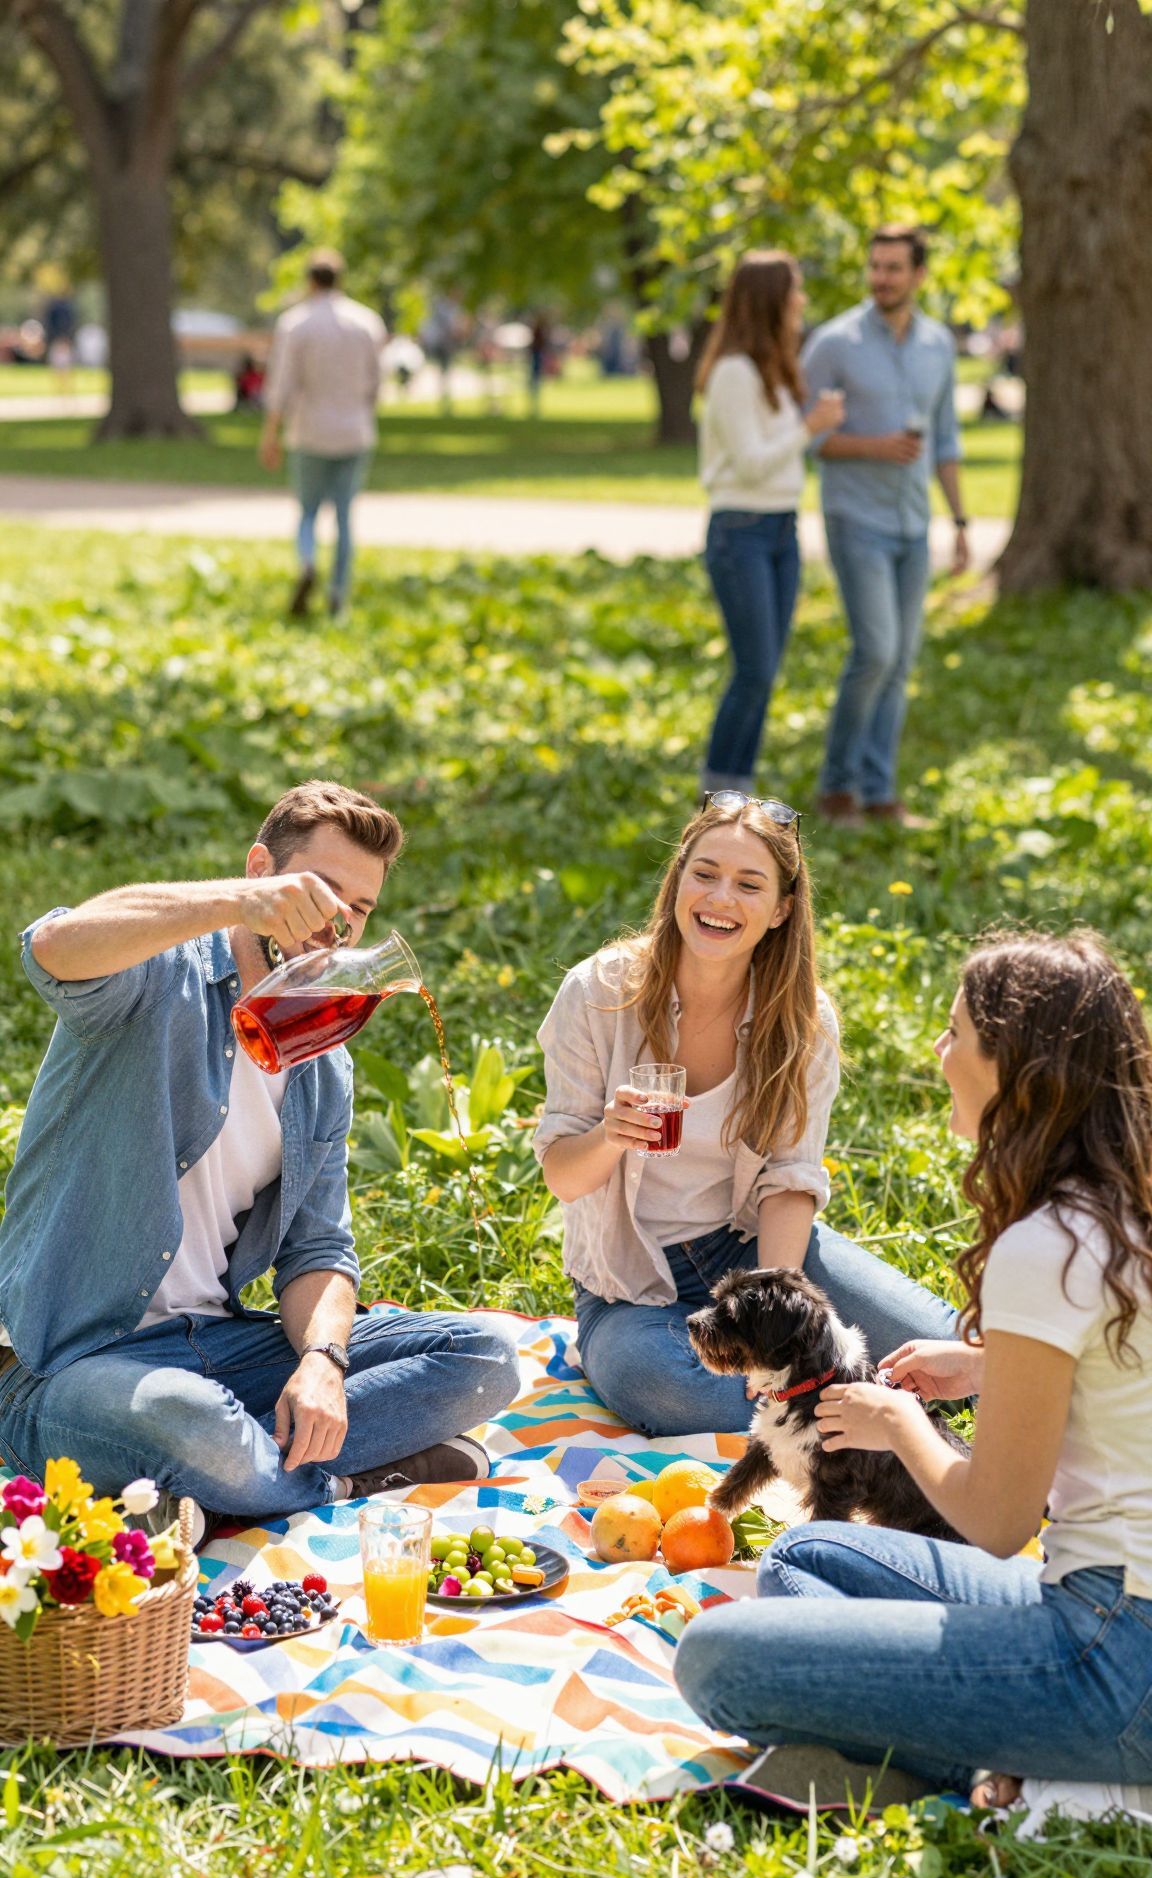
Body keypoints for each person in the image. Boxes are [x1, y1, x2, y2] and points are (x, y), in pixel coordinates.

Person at [676, 930, 1152, 1808]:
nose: (938, 1053)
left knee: (716, 1660)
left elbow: (1002, 1521)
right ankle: (980, 1741)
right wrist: (982, 1366)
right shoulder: (1124, 1211)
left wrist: (896, 1422)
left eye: (955, 1034)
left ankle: (1037, 1776)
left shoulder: (1043, 1245)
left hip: (1114, 1653)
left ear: (1014, 1068)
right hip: (1107, 1608)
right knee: (809, 1551)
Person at [0, 781, 519, 1544]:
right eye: (319, 891)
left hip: (219, 1345)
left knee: (484, 1356)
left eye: (360, 909)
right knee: (193, 1420)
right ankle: (335, 1478)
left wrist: (323, 1362)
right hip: (70, 1361)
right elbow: (51, 947)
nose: (336, 923)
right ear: (261, 871)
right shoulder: (155, 975)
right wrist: (239, 904)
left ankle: (216, 1485)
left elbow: (318, 1251)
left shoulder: (321, 1062)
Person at [533, 793, 956, 1439]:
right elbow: (563, 1176)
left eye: (748, 884)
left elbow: (790, 1179)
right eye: (704, 874)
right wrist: (609, 1136)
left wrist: (770, 1309)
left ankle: (833, 1408)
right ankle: (859, 1414)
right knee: (668, 1389)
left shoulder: (803, 1019)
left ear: (782, 908)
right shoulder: (598, 993)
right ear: (678, 879)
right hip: (631, 1280)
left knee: (946, 1348)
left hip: (755, 1252)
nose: (720, 899)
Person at [801, 225, 969, 828]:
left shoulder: (937, 345)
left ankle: (880, 793)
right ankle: (836, 788)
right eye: (875, 266)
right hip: (856, 518)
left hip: (913, 525)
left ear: (918, 275)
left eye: (894, 268)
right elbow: (807, 436)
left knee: (901, 661)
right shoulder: (834, 343)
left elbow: (945, 439)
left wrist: (960, 520)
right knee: (875, 651)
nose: (882, 278)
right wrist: (876, 446)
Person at [697, 252, 844, 794]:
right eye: (795, 291)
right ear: (770, 301)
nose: (802, 301)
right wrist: (811, 425)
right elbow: (753, 462)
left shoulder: (775, 371)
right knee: (754, 670)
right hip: (742, 530)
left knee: (764, 673)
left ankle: (737, 789)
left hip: (781, 530)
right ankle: (717, 795)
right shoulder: (733, 374)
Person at [260, 250, 385, 620]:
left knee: (308, 513)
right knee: (345, 518)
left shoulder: (296, 324)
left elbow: (281, 387)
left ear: (310, 280)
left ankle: (308, 563)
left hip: (309, 432)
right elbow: (376, 385)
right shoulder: (366, 323)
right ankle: (337, 595)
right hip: (354, 432)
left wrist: (270, 434)